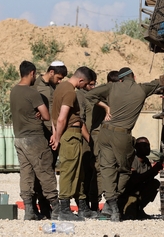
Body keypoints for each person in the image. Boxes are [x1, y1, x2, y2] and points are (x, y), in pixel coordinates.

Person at [86, 67, 163, 221]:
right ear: (133, 76)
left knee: (107, 169)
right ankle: (112, 203)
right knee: (124, 170)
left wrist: (106, 107)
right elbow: (159, 83)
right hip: (123, 135)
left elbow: (89, 95)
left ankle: (111, 204)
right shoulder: (141, 89)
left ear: (120, 79)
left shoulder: (112, 87)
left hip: (105, 133)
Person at [9, 61, 58, 221]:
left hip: (19, 138)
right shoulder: (32, 93)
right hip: (34, 138)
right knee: (45, 171)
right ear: (31, 73)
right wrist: (39, 111)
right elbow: (46, 116)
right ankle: (56, 209)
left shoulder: (14, 91)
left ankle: (29, 210)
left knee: (26, 173)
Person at [51, 66, 98, 221]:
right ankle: (64, 208)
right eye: (85, 84)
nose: (85, 87)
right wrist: (57, 137)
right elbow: (61, 118)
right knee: (69, 171)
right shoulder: (70, 92)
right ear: (81, 80)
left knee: (78, 172)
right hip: (70, 135)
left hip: (72, 134)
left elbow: (56, 115)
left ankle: (82, 206)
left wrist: (55, 133)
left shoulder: (60, 88)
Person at [78, 70, 120, 213]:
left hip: (103, 135)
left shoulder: (106, 95)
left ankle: (96, 203)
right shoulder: (102, 95)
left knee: (100, 170)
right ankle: (93, 204)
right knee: (98, 170)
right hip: (97, 136)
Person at [31, 60, 67, 219]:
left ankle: (46, 207)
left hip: (54, 134)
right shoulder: (36, 86)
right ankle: (36, 207)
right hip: (41, 134)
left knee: (49, 170)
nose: (60, 81)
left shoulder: (57, 88)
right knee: (38, 171)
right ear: (51, 72)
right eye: (58, 78)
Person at [119, 136, 163, 220]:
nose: (148, 148)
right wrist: (153, 170)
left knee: (155, 183)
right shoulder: (132, 160)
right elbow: (135, 180)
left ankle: (139, 208)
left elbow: (148, 180)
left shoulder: (146, 161)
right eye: (144, 146)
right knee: (130, 216)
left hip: (139, 192)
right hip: (129, 194)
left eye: (148, 145)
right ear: (136, 147)